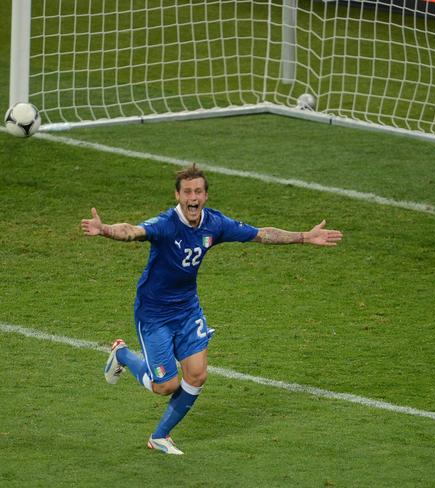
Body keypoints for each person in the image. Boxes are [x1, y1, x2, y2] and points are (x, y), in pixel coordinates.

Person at [81, 163, 343, 455]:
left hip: (187, 309)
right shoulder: (167, 224)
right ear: (178, 195)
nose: (193, 198)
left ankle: (160, 436)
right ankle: (123, 355)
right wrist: (105, 230)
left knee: (196, 376)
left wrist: (305, 236)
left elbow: (260, 234)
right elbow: (132, 231)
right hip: (154, 314)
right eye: (187, 192)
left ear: (205, 196)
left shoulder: (214, 224)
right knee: (165, 386)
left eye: (198, 192)